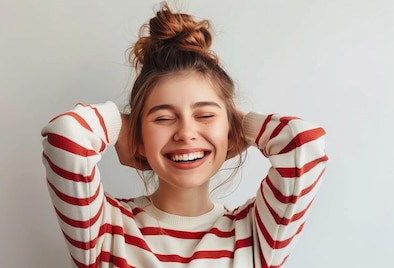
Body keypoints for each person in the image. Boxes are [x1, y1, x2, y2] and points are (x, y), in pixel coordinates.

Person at [40, 2, 328, 267]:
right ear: (138, 139)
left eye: (204, 116)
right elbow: (65, 137)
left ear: (231, 133)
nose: (186, 133)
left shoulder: (256, 235)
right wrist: (124, 127)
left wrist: (237, 124)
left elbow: (303, 144)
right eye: (164, 118)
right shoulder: (104, 228)